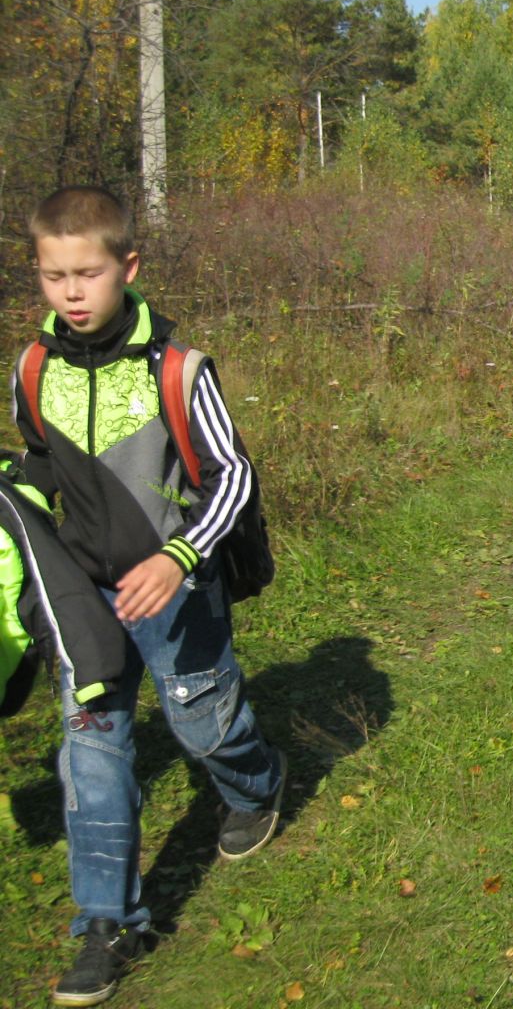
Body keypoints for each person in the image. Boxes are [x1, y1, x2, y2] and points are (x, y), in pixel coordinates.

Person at [15, 186, 285, 1007]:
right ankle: (107, 923)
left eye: (87, 273)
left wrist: (178, 555)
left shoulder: (177, 368)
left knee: (200, 722)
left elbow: (233, 475)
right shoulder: (32, 368)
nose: (70, 291)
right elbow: (34, 468)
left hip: (178, 587)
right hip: (83, 600)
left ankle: (255, 782)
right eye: (53, 274)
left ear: (126, 269)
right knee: (89, 751)